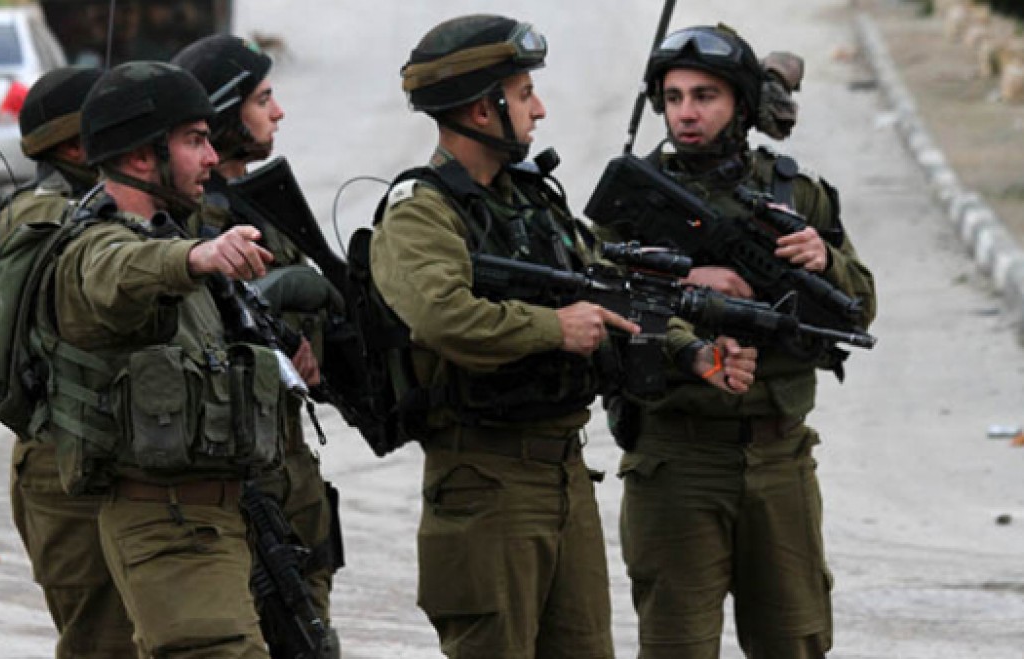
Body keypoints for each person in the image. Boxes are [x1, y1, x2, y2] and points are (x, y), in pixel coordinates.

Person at [368, 14, 642, 658]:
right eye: (523, 94)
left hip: (565, 473)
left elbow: (604, 291)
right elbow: (442, 316)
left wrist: (694, 343)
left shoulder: (532, 201)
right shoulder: (420, 211)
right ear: (480, 110)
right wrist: (554, 328)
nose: (538, 109)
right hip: (485, 482)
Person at [604, 24, 877, 658]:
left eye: (705, 96)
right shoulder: (633, 196)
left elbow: (860, 310)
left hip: (779, 457)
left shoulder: (794, 194)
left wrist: (824, 260)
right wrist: (687, 284)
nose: (686, 113)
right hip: (676, 457)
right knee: (676, 644)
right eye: (674, 98)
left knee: (794, 639)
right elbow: (601, 304)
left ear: (742, 106)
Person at [40, 60, 289, 658]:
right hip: (167, 524)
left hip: (218, 516)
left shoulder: (167, 232)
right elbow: (116, 273)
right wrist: (195, 258)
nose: (212, 157)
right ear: (138, 156)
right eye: (194, 141)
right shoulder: (95, 247)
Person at [171, 34, 343, 653]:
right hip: (241, 464)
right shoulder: (196, 227)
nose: (278, 113)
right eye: (262, 100)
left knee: (311, 618)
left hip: (289, 453)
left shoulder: (260, 204)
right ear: (225, 115)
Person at [0, 65, 137, 659]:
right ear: (77, 147)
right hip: (65, 465)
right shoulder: (46, 219)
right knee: (103, 642)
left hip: (102, 453)